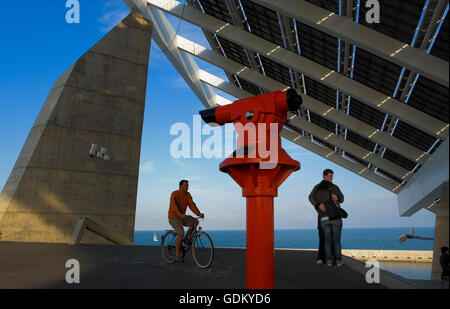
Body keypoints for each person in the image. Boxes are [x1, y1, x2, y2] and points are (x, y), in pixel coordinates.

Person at [309, 169, 344, 266]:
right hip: (323, 216)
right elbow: (310, 197)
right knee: (323, 237)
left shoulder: (335, 187)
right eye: (329, 176)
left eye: (332, 176)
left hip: (334, 215)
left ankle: (331, 259)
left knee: (332, 239)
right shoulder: (317, 187)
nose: (330, 178)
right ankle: (322, 258)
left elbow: (342, 198)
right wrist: (318, 205)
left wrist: (338, 198)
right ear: (324, 176)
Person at [168, 180, 204, 263]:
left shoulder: (188, 195)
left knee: (195, 222)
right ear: (180, 186)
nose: (187, 187)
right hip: (174, 217)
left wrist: (199, 213)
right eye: (185, 185)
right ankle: (177, 255)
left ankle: (186, 239)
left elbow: (191, 204)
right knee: (180, 233)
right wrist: (180, 214)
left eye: (187, 185)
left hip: (182, 216)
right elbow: (174, 205)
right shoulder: (175, 193)